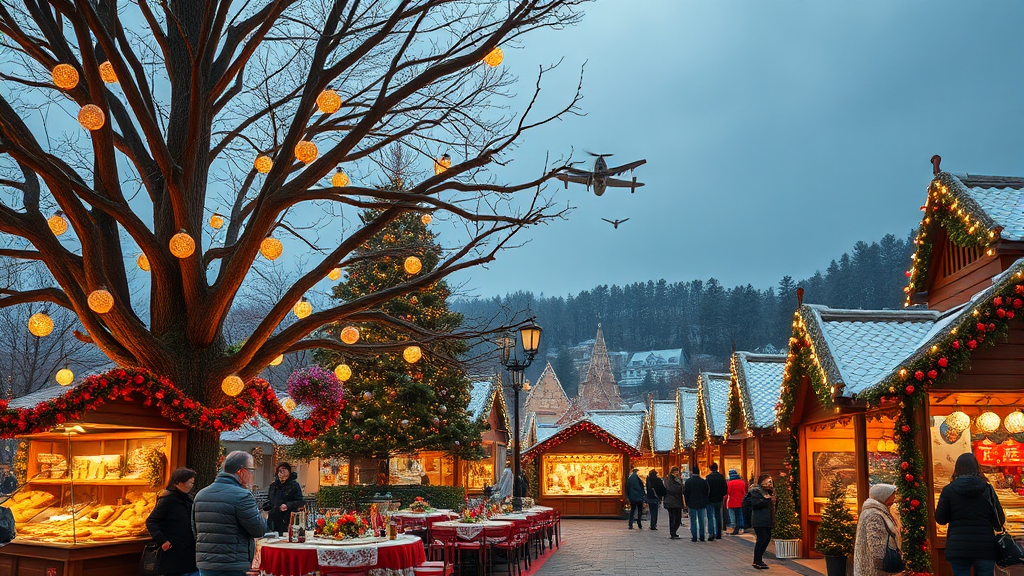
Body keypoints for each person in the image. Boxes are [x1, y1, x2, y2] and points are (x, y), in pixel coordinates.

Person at [194, 451, 268, 576]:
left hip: (206, 564)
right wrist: (264, 516)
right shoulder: (242, 496)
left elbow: (195, 530)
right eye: (251, 470)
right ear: (241, 472)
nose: (251, 475)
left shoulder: (201, 494)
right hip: (234, 564)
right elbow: (258, 530)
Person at [936, 453, 1005, 576]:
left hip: (958, 547)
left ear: (957, 468)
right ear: (977, 467)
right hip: (985, 547)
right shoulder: (987, 489)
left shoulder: (949, 490)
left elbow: (940, 519)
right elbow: (999, 519)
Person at [145, 467, 198, 576]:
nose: (192, 485)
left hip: (187, 550)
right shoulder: (168, 499)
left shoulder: (187, 499)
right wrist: (163, 541)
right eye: (190, 482)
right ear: (179, 482)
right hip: (174, 551)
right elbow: (151, 521)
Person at [854, 484, 900, 576]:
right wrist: (885, 564)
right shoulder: (874, 515)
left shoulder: (879, 510)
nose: (894, 498)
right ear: (884, 496)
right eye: (893, 495)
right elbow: (875, 544)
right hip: (873, 569)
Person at [263, 462, 304, 535]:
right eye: (280, 470)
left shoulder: (294, 485)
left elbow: (299, 501)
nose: (282, 473)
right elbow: (270, 500)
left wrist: (287, 505)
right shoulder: (273, 486)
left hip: (288, 518)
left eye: (284, 470)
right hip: (274, 518)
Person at [749, 473, 776, 570]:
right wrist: (768, 500)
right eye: (768, 481)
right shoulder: (756, 490)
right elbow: (755, 504)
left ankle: (759, 559)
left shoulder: (768, 491)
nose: (769, 483)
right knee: (761, 539)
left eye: (770, 481)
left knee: (767, 538)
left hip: (768, 519)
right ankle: (757, 560)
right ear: (762, 481)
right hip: (759, 519)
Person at [683, 465, 710, 542]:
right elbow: (707, 492)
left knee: (693, 520)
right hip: (701, 503)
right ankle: (702, 536)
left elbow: (686, 493)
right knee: (701, 520)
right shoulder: (703, 481)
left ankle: (694, 536)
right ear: (699, 472)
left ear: (692, 472)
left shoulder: (688, 482)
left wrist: (687, 502)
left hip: (691, 503)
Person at [706, 462, 728, 540]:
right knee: (718, 516)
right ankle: (719, 533)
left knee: (710, 517)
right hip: (719, 499)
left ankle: (711, 533)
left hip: (710, 499)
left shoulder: (708, 477)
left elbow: (706, 489)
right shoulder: (721, 477)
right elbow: (725, 489)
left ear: (710, 469)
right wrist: (721, 494)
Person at [664, 466, 684, 540]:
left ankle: (673, 532)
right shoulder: (670, 479)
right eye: (675, 472)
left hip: (674, 501)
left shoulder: (677, 479)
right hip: (673, 501)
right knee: (676, 518)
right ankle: (673, 532)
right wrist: (681, 488)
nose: (676, 473)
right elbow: (671, 488)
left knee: (674, 517)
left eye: (677, 472)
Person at [726, 468, 747, 535]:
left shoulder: (729, 483)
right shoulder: (742, 482)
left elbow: (727, 492)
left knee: (732, 517)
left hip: (731, 502)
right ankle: (741, 528)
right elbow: (744, 492)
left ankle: (733, 528)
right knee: (740, 515)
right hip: (740, 501)